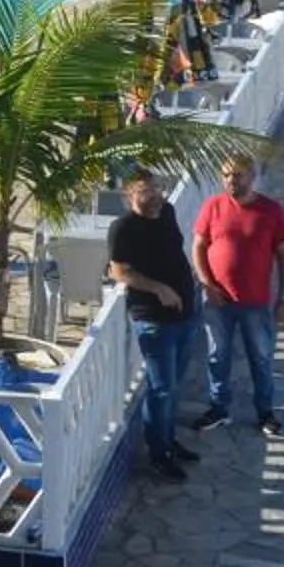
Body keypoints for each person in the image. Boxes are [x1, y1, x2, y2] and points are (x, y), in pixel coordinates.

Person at [107, 170, 203, 481]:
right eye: (145, 192)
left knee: (174, 384)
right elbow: (119, 272)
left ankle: (169, 440)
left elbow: (173, 250)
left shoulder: (169, 211)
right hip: (153, 318)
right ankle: (158, 453)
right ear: (130, 195)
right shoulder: (123, 228)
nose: (154, 197)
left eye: (157, 189)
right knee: (161, 388)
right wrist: (158, 288)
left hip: (185, 310)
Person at [193, 153, 284, 435]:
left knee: (261, 359)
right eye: (226, 175)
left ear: (252, 176)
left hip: (255, 302)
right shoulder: (212, 207)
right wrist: (207, 284)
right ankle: (219, 408)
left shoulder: (271, 211)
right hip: (218, 300)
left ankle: (265, 413)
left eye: (237, 175)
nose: (230, 181)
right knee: (217, 356)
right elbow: (199, 246)